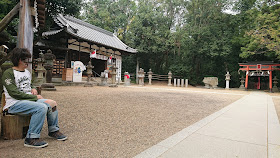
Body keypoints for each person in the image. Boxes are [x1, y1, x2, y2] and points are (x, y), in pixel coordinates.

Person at [1, 48, 67, 148]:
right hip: (14, 103)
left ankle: (53, 130)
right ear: (19, 60)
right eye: (26, 60)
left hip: (28, 100)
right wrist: (34, 97)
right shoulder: (8, 73)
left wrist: (33, 88)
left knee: (52, 103)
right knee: (41, 108)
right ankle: (31, 138)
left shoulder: (27, 72)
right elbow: (14, 93)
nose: (28, 62)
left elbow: (30, 84)